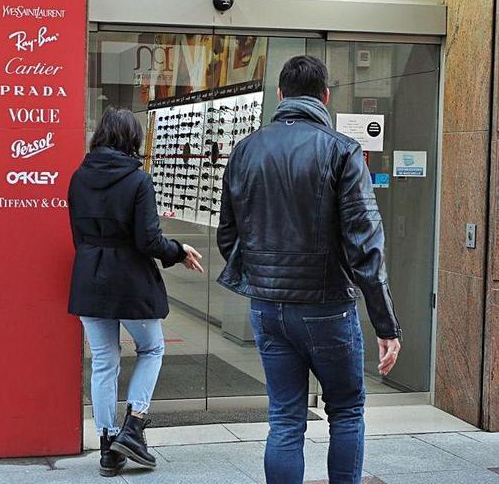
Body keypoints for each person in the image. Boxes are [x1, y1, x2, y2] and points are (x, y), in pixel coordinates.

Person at [217, 56, 403, 484]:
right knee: (347, 411)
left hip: (267, 307)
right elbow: (365, 245)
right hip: (326, 307)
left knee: (285, 418)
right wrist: (385, 325)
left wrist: (259, 278)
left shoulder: (245, 150)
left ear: (280, 95)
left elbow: (229, 235)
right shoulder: (342, 150)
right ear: (326, 96)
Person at [68, 107, 204, 477]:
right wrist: (178, 251)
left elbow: (77, 236)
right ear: (133, 140)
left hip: (89, 279)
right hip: (128, 281)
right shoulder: (138, 180)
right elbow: (148, 240)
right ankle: (134, 424)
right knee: (152, 348)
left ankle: (108, 449)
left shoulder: (78, 177)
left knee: (103, 361)